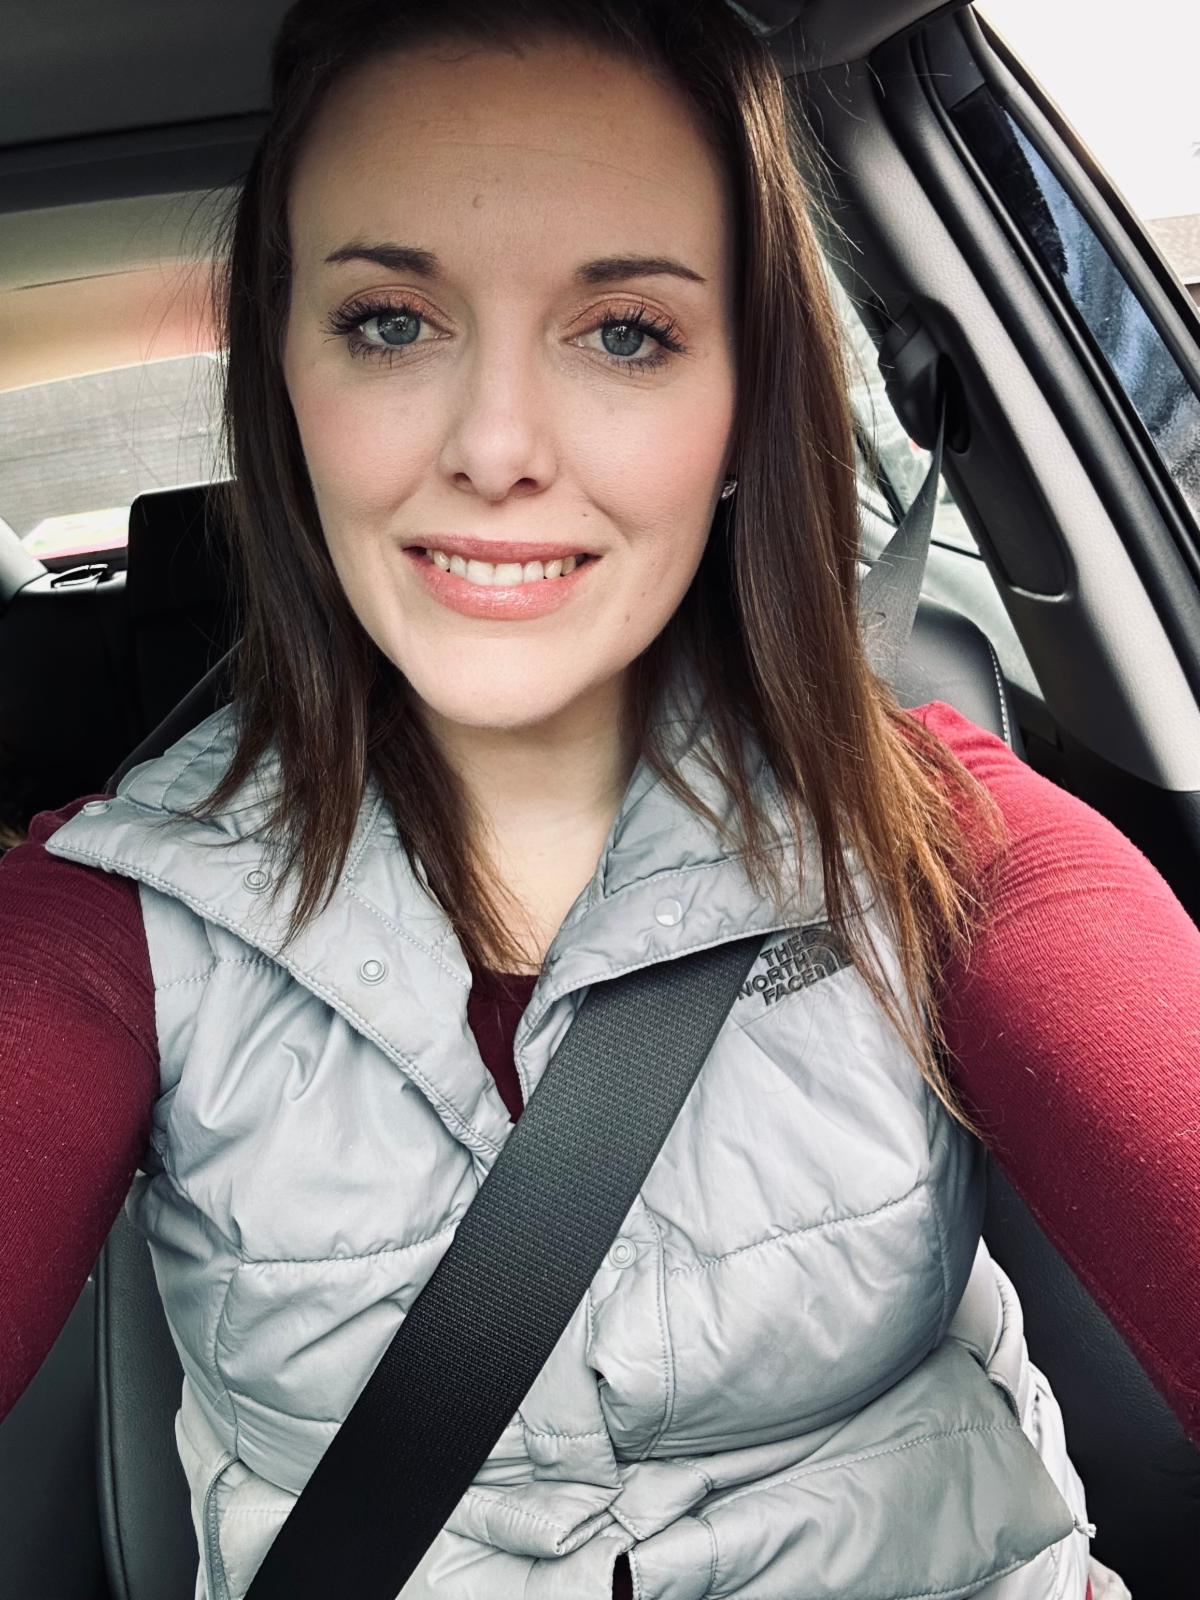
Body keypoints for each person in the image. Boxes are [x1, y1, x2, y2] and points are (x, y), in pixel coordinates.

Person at [1, 1, 1197, 1595]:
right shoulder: (114, 919)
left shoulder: (942, 842)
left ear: (744, 401)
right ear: (283, 376)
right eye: (390, 321)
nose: (497, 447)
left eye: (627, 331)